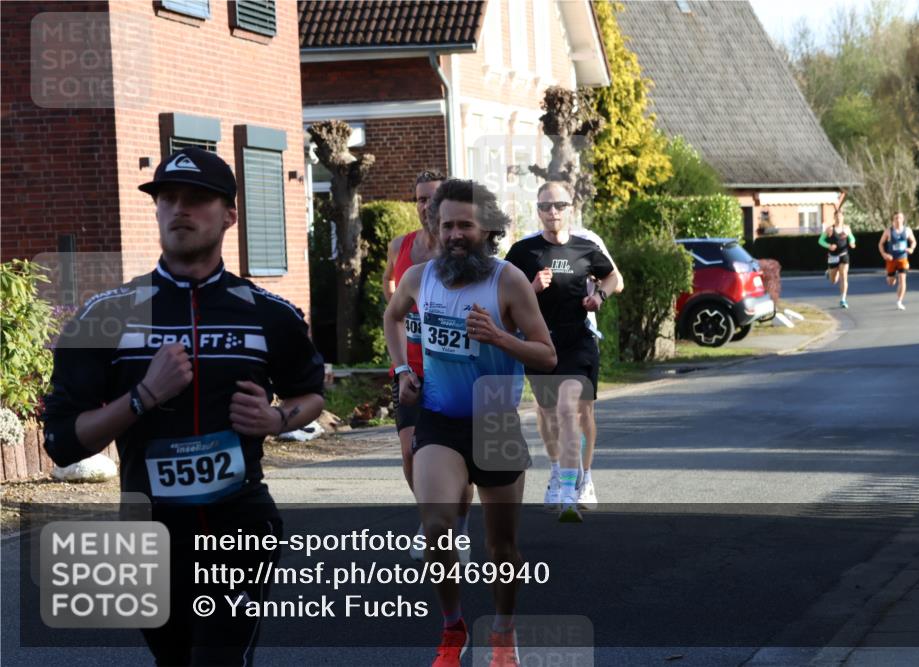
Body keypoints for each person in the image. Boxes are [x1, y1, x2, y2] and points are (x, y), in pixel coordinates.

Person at [42, 147, 326, 666]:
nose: (179, 210)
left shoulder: (270, 314)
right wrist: (142, 396)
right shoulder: (106, 316)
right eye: (168, 198)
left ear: (230, 215)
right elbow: (62, 443)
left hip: (240, 524)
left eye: (196, 200)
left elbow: (311, 393)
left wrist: (277, 418)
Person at [384, 178, 556, 667]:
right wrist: (402, 371)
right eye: (447, 225)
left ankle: (503, 633)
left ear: (487, 229)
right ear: (435, 229)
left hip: (496, 421)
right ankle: (452, 628)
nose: (455, 234)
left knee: (501, 546)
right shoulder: (419, 277)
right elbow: (392, 317)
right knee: (438, 527)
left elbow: (546, 354)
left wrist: (500, 338)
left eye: (465, 225)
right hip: (440, 421)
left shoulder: (507, 281)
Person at [505, 181, 623, 521]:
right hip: (539, 343)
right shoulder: (522, 252)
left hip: (577, 342)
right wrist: (531, 288)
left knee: (574, 410)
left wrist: (599, 296)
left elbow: (612, 277)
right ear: (538, 211)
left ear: (570, 208)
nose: (552, 212)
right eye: (545, 206)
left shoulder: (586, 248)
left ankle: (577, 484)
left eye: (559, 205)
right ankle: (558, 469)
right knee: (548, 413)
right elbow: (504, 295)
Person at [383, 170, 473, 563]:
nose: (425, 205)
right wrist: (402, 314)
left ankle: (460, 524)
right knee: (410, 453)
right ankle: (432, 518)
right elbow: (390, 285)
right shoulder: (400, 246)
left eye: (432, 198)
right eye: (419, 198)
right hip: (410, 369)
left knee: (458, 459)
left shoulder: (460, 250)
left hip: (452, 370)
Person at [818, 207, 856, 308]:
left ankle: (843, 299)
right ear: (834, 218)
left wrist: (852, 242)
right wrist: (829, 246)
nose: (838, 218)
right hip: (833, 257)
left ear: (843, 217)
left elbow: (851, 237)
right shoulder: (830, 229)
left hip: (843, 255)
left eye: (840, 216)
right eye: (836, 216)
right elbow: (820, 240)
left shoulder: (846, 228)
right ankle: (829, 272)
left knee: (844, 276)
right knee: (833, 281)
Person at [878, 211, 917, 310]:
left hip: (903, 258)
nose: (898, 220)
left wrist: (911, 248)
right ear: (893, 220)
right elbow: (880, 244)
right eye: (896, 218)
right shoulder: (888, 231)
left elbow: (913, 241)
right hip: (891, 259)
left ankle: (899, 301)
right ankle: (891, 275)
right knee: (891, 282)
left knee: (902, 280)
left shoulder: (907, 230)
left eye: (900, 218)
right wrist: (884, 254)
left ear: (903, 219)